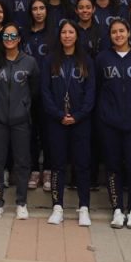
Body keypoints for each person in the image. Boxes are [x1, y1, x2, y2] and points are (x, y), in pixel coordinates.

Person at [0, 22, 40, 219]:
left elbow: (34, 90)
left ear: (19, 39)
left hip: (21, 119)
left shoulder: (30, 62)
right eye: (6, 36)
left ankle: (21, 203)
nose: (9, 39)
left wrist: (24, 106)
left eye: (13, 36)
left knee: (22, 162)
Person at [96, 19, 131, 230]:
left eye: (121, 31)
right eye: (114, 32)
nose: (118, 35)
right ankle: (117, 209)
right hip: (110, 123)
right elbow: (97, 87)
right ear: (110, 36)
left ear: (128, 33)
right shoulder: (102, 58)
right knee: (113, 166)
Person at [42, 20, 94, 226]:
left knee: (82, 165)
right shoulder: (50, 60)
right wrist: (58, 115)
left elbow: (91, 92)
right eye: (64, 32)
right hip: (57, 121)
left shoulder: (86, 60)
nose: (67, 36)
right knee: (57, 164)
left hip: (81, 121)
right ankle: (57, 206)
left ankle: (84, 207)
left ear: (77, 35)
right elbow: (45, 91)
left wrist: (78, 115)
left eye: (71, 32)